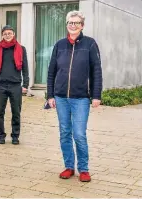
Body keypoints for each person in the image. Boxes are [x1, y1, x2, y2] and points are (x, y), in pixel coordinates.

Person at [47, 10, 102, 182]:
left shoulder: (90, 44)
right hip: (61, 97)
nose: (73, 25)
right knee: (64, 132)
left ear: (82, 26)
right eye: (70, 22)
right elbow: (51, 72)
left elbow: (96, 71)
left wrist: (96, 95)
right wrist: (50, 95)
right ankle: (69, 166)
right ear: (67, 25)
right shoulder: (60, 45)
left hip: (81, 99)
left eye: (76, 23)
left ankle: (83, 169)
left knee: (79, 134)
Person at [0, 25, 29, 145]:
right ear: (2, 35)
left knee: (16, 112)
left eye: (10, 33)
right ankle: (1, 135)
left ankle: (15, 136)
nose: (7, 35)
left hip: (16, 85)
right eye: (5, 33)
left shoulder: (21, 49)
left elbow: (25, 68)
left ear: (14, 34)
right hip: (0, 85)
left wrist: (25, 84)